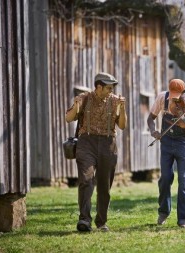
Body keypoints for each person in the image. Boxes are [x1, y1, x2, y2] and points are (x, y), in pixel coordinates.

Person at [65, 72, 127, 232]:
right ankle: (84, 220)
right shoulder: (84, 98)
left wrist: (123, 109)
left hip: (108, 144)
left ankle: (101, 222)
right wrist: (76, 105)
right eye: (108, 88)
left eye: (112, 88)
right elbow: (68, 118)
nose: (110, 91)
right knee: (86, 179)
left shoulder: (115, 101)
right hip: (87, 143)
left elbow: (122, 126)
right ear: (98, 86)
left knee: (104, 186)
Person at [147, 78, 185, 228]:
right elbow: (151, 118)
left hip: (183, 143)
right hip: (166, 142)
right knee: (165, 178)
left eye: (178, 95)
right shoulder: (162, 98)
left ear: (183, 92)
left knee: (183, 180)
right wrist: (153, 131)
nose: (174, 99)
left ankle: (184, 219)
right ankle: (163, 211)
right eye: (172, 94)